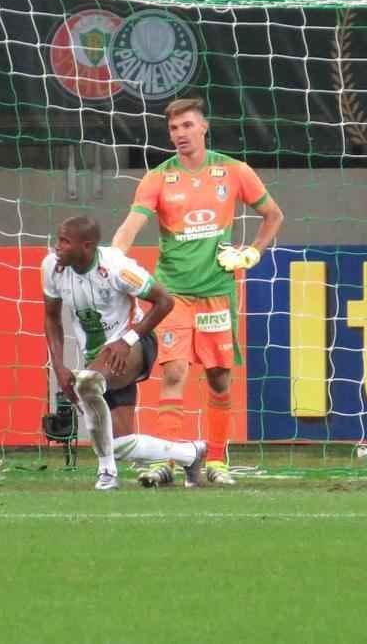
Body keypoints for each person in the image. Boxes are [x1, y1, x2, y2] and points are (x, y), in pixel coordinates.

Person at [112, 97, 284, 486]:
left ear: (203, 127)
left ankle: (218, 461)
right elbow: (131, 224)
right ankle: (167, 461)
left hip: (217, 291)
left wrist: (253, 252)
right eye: (173, 129)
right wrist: (114, 257)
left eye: (187, 126)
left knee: (220, 377)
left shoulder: (234, 171)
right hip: (172, 294)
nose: (180, 135)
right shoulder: (157, 177)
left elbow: (274, 215)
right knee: (173, 372)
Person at [43, 216, 207, 490]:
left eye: (64, 241)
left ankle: (107, 475)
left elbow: (165, 301)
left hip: (133, 346)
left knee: (86, 383)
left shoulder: (116, 267)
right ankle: (190, 454)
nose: (57, 247)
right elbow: (51, 317)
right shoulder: (52, 267)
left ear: (87, 246)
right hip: (96, 356)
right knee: (117, 443)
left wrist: (128, 340)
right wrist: (59, 367)